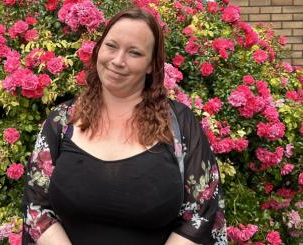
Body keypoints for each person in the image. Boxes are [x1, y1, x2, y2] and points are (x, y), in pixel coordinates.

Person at [22, 7, 227, 245]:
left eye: (135, 53)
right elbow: (37, 207)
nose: (118, 61)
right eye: (111, 46)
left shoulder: (180, 125)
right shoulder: (61, 122)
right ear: (99, 49)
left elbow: (201, 214)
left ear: (151, 65)